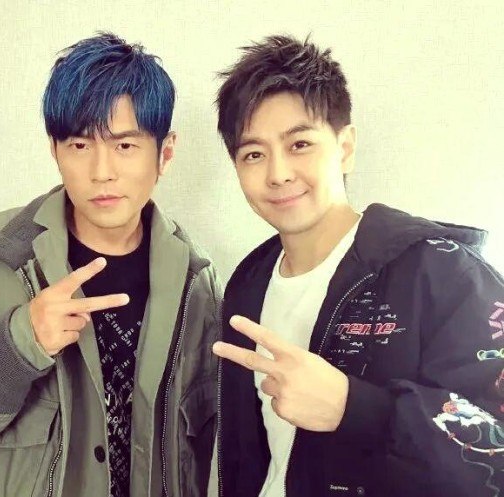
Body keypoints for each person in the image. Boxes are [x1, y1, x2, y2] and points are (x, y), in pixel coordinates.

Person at [0, 32, 221, 497]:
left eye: (125, 146)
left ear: (165, 153)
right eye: (79, 145)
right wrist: (15, 343)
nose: (102, 172)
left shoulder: (196, 281)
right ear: (55, 150)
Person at [212, 34, 504, 497]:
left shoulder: (443, 273)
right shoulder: (247, 284)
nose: (278, 173)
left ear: (345, 146)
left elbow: (495, 458)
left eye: (300, 144)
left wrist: (356, 409)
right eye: (254, 154)